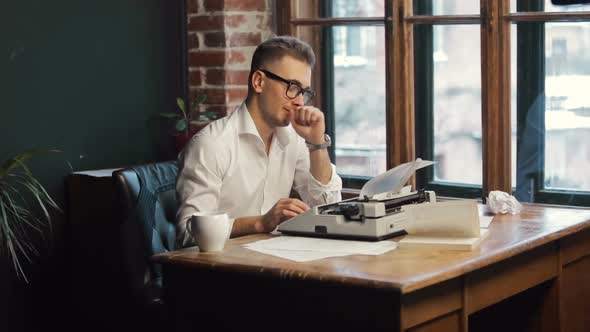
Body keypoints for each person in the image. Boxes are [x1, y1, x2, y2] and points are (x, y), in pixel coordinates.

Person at [176, 36, 342, 248]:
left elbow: (329, 209)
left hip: (275, 262)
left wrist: (317, 143)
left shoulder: (294, 139)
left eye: (304, 91)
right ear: (259, 82)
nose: (300, 100)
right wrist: (260, 223)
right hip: (222, 272)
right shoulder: (211, 145)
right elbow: (188, 233)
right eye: (292, 86)